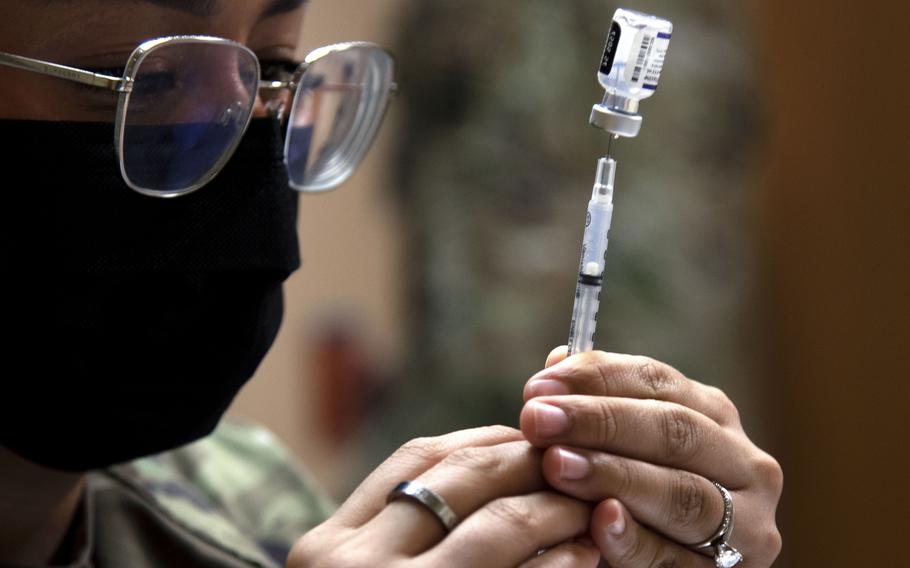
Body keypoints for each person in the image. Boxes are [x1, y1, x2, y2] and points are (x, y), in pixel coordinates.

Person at [0, 1, 783, 567]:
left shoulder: (255, 509)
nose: (239, 152)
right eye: (155, 76)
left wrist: (687, 545)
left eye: (274, 68)